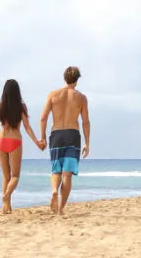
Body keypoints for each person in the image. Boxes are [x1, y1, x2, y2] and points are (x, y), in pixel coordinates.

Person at [0, 79, 43, 213]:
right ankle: (6, 197)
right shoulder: (21, 107)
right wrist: (36, 141)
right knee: (15, 176)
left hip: (1, 141)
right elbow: (27, 127)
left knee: (5, 176)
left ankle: (6, 206)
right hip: (14, 141)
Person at [39, 66, 90, 214]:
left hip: (56, 134)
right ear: (77, 80)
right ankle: (60, 209)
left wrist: (42, 137)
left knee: (56, 170)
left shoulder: (53, 95)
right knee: (67, 174)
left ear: (64, 78)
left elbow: (43, 118)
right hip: (73, 135)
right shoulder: (81, 98)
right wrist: (87, 142)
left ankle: (54, 190)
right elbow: (86, 122)